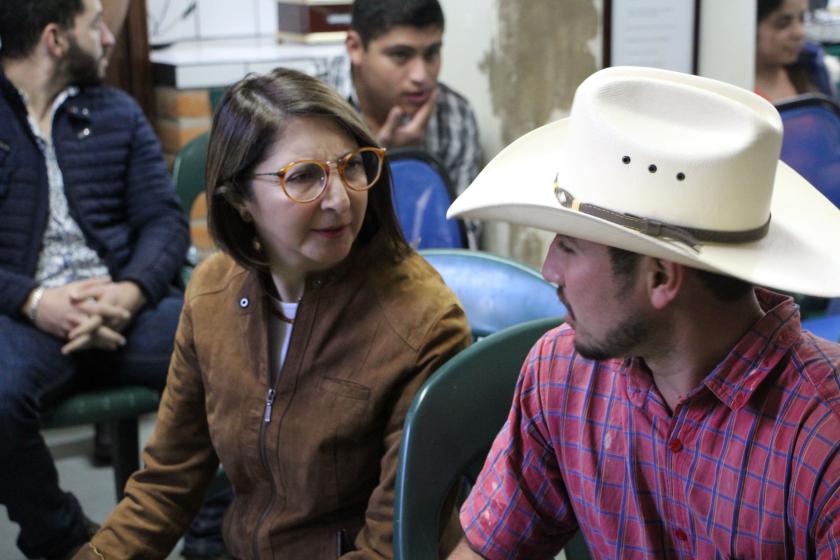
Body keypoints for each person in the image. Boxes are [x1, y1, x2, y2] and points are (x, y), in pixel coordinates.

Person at [73, 67, 471, 560]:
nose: (339, 198)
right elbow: (166, 484)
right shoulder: (211, 294)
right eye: (303, 176)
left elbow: (393, 545)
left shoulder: (424, 323)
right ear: (239, 199)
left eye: (352, 166)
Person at [444, 66, 840, 558]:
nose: (548, 269)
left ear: (659, 278)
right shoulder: (561, 373)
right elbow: (489, 550)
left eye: (568, 245)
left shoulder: (825, 435)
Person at [0, 0, 189, 558]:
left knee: (233, 341)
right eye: (95, 26)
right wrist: (35, 301)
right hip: (24, 320)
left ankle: (214, 532)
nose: (107, 39)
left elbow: (163, 219)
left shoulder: (117, 113)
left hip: (123, 310)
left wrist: (129, 293)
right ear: (56, 39)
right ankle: (63, 541)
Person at [319, 0, 482, 199]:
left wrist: (413, 168)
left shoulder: (455, 114)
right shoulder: (312, 108)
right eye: (400, 55)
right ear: (355, 48)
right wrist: (380, 164)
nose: (420, 76)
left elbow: (460, 225)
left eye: (432, 53)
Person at [755, 0, 836, 102]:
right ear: (751, 27)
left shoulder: (812, 68)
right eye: (783, 23)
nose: (800, 32)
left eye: (802, 19)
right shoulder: (737, 90)